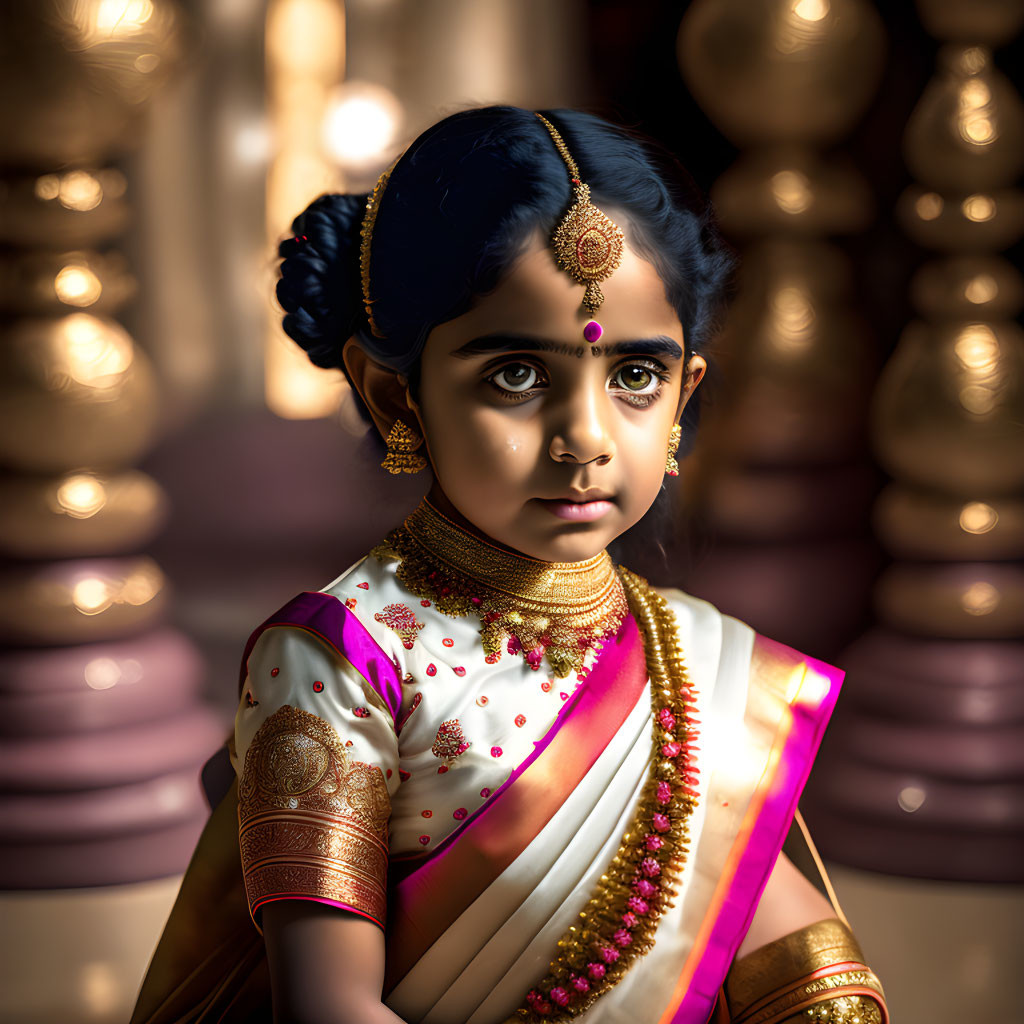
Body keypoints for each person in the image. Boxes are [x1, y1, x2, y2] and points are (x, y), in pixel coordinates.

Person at [131, 106, 887, 1024]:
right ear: (392, 391)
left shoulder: (688, 660)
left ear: (685, 391)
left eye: (635, 376)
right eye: (517, 377)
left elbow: (805, 972)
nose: (585, 439)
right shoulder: (339, 660)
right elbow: (330, 1009)